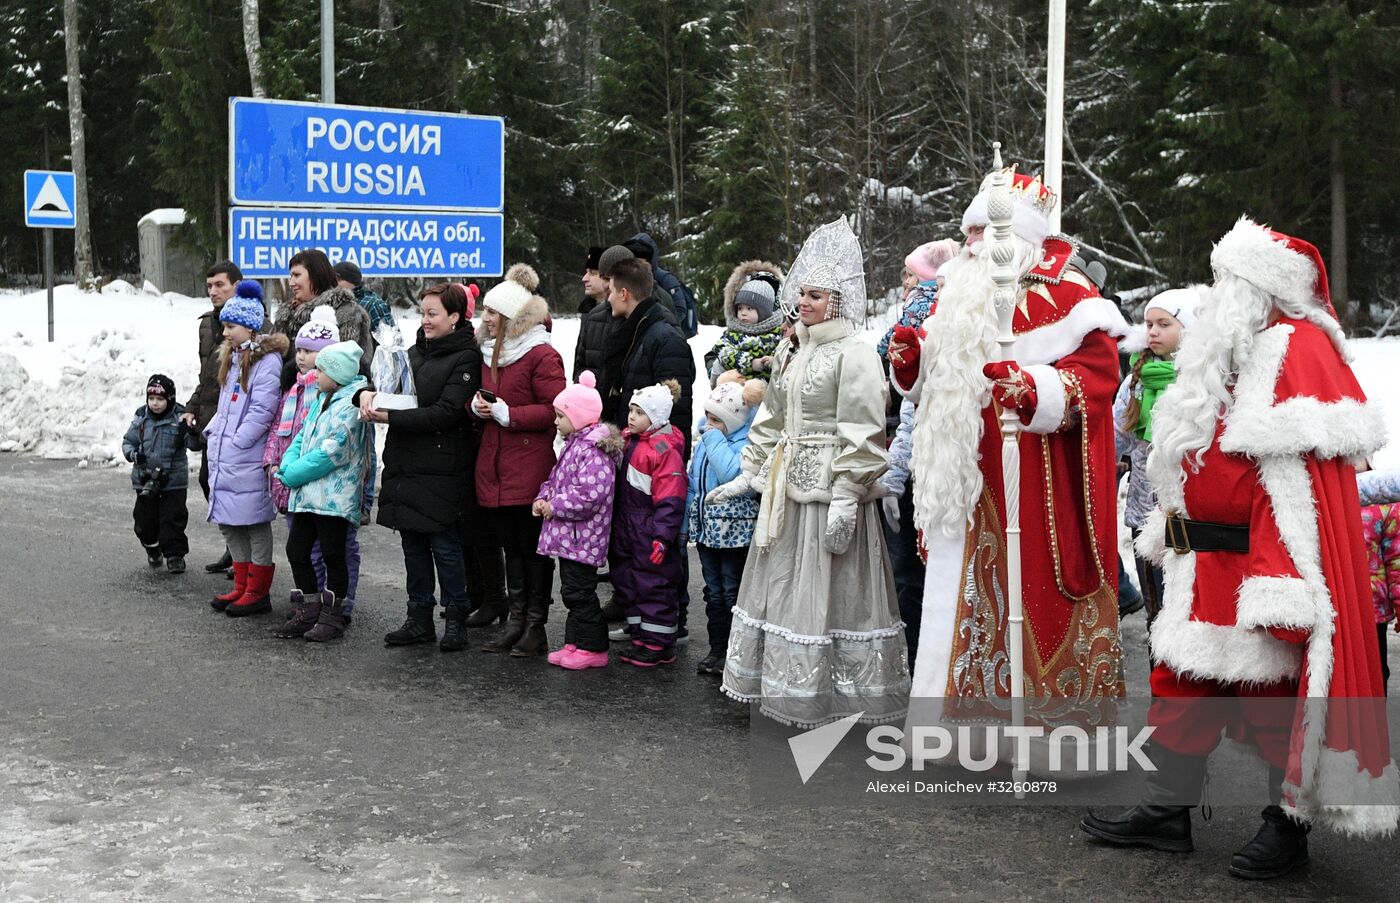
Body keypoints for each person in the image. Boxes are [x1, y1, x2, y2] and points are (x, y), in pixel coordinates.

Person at [1080, 218, 1400, 874]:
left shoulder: (1295, 349)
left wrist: (1278, 578)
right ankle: (1168, 810)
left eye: (1230, 281)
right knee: (1180, 682)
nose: (1218, 293)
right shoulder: (1229, 349)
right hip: (1202, 559)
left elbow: (1295, 490)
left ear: (1260, 288)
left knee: (1273, 700)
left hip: (1261, 562)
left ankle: (1287, 827)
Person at [887, 168, 1127, 761]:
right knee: (959, 596)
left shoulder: (1068, 293)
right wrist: (912, 362)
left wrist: (1035, 388)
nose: (973, 244)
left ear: (1019, 235)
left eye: (985, 231)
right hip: (962, 479)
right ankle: (963, 728)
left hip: (1035, 480)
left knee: (1031, 598)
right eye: (968, 232)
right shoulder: (952, 294)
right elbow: (931, 386)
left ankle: (1046, 739)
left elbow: (1097, 381)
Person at [709, 216, 909, 727]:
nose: (803, 303)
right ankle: (790, 687)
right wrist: (750, 472)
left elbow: (863, 430)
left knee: (833, 596)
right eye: (801, 294)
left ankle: (838, 696)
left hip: (829, 494)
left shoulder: (856, 354)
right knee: (787, 589)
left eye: (816, 296)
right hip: (787, 494)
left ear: (837, 301)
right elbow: (772, 417)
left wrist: (848, 491)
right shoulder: (790, 350)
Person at [358, 284, 481, 652]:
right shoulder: (411, 353)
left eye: (433, 314)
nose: (425, 320)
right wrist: (364, 393)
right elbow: (386, 386)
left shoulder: (465, 359)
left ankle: (456, 616)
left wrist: (393, 415)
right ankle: (418, 617)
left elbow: (447, 413)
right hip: (405, 462)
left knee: (444, 545)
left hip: (442, 466)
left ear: (455, 317)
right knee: (412, 543)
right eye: (423, 313)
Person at [471, 264, 567, 657]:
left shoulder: (542, 355)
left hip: (527, 468)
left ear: (510, 317)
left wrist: (511, 415)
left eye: (493, 313)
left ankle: (535, 626)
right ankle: (516, 620)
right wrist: (476, 406)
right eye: (485, 312)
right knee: (512, 547)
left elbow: (556, 410)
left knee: (532, 550)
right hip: (495, 465)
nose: (486, 318)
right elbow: (489, 399)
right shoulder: (491, 352)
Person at [274, 341, 370, 643]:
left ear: (338, 374)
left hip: (333, 499)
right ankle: (309, 607)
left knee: (333, 554)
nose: (315, 374)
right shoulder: (321, 399)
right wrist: (288, 462)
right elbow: (302, 435)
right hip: (307, 495)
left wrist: (293, 473)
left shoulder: (350, 406)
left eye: (322, 370)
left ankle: (333, 614)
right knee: (297, 550)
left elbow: (333, 453)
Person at [1114, 288, 1200, 624]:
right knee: (1158, 610)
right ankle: (1158, 677)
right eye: (1149, 323)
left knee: (1190, 609)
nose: (1152, 331)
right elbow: (1113, 438)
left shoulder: (1202, 380)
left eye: (1164, 324)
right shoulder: (1136, 381)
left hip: (1192, 514)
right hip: (1145, 514)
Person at [205, 281, 286, 617]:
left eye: (230, 326)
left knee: (253, 522)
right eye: (224, 326)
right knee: (230, 521)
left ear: (250, 327)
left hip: (246, 455)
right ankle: (241, 583)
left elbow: (261, 411)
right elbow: (227, 406)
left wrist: (237, 442)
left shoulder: (266, 362)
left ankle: (258, 590)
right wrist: (214, 432)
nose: (225, 332)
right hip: (226, 453)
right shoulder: (234, 358)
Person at [535, 371, 623, 670]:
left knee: (580, 592)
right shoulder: (574, 445)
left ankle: (594, 647)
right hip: (569, 537)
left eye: (560, 416)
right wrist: (543, 497)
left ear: (580, 416)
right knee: (571, 592)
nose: (556, 422)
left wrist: (555, 506)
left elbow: (590, 496)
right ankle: (575, 643)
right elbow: (556, 480)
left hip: (582, 537)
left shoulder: (593, 451)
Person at [611, 381, 687, 666]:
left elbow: (671, 497)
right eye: (631, 410)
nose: (631, 417)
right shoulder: (630, 441)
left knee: (654, 583)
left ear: (656, 417)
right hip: (626, 524)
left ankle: (659, 643)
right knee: (628, 579)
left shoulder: (663, 450)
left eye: (639, 412)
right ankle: (640, 634)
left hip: (648, 526)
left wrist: (662, 536)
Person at [686, 381, 759, 676]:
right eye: (707, 416)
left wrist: (714, 439)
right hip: (707, 532)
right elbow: (694, 482)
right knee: (712, 592)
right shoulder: (707, 442)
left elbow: (730, 473)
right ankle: (717, 649)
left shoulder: (745, 446)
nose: (708, 424)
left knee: (732, 592)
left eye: (716, 419)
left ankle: (734, 652)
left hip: (733, 535)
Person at [600, 257, 696, 459]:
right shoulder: (633, 331)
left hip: (652, 466)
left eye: (611, 291)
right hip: (634, 455)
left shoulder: (665, 339)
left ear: (624, 294)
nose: (608, 298)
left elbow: (676, 413)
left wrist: (666, 464)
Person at [181, 260, 242, 576]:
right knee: (209, 481)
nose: (214, 291)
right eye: (210, 286)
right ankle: (233, 546)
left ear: (236, 284)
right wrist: (191, 406)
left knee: (235, 487)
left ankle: (244, 556)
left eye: (220, 284)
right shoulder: (207, 324)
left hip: (237, 419)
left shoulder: (254, 321)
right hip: (211, 420)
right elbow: (207, 376)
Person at [334, 259, 391, 525]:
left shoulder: (372, 304)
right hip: (337, 379)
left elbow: (390, 339)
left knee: (365, 440)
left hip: (365, 379)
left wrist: (378, 379)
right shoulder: (333, 303)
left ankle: (365, 502)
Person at [122, 374, 190, 575]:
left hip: (173, 479)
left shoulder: (180, 417)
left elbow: (195, 443)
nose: (155, 404)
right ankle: (152, 548)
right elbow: (128, 441)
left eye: (160, 399)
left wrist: (189, 431)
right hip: (145, 478)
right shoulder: (142, 418)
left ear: (169, 399)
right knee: (144, 519)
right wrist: (133, 455)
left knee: (173, 518)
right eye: (151, 399)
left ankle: (175, 555)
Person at [272, 249, 372, 363]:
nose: (291, 283)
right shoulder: (287, 315)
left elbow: (346, 366)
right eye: (291, 276)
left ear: (316, 276)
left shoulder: (347, 313)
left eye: (297, 275)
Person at [708, 260, 785, 385]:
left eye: (750, 308)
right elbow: (722, 350)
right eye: (740, 308)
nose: (743, 313)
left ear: (764, 312)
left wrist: (773, 361)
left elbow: (784, 354)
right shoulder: (733, 332)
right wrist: (750, 362)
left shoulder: (776, 333)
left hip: (764, 391)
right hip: (733, 388)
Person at [1360, 468, 1400, 693]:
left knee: (1376, 669)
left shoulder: (1387, 505)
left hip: (1374, 608)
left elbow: (1395, 559)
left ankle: (1375, 722)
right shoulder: (1329, 497)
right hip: (1337, 606)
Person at [625, 232, 699, 338]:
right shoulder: (632, 280)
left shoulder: (665, 279)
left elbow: (680, 309)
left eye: (640, 259)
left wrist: (666, 326)